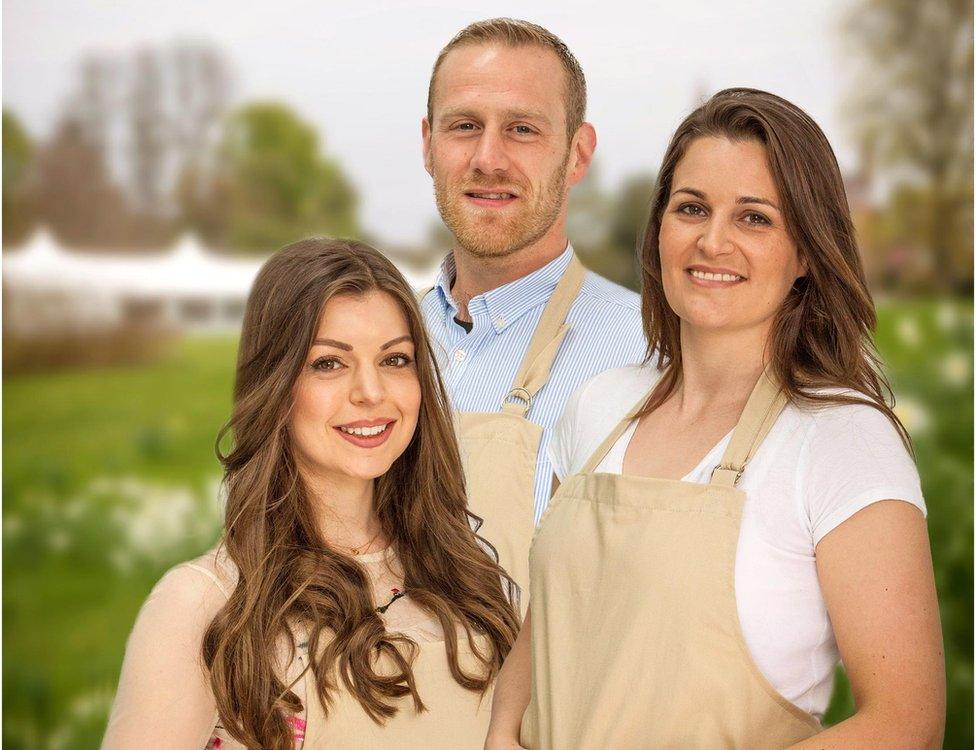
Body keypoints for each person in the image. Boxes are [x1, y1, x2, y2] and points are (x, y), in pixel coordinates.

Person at [487, 89, 945, 749]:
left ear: (806, 253)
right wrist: (502, 734)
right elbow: (547, 629)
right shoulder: (598, 406)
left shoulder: (840, 440)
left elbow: (906, 722)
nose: (712, 240)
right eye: (691, 208)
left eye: (754, 218)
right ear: (660, 230)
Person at [102, 239, 520, 749]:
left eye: (394, 359)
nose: (371, 392)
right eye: (329, 364)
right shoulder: (205, 604)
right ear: (276, 383)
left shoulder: (467, 575)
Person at [419, 18, 646, 601]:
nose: (488, 158)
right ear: (427, 144)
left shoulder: (648, 353)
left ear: (577, 154)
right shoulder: (377, 342)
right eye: (464, 126)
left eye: (522, 129)